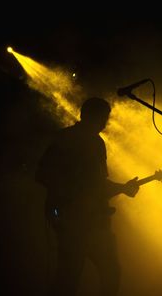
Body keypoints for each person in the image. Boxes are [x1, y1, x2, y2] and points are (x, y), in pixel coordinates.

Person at [35, 97, 139, 296]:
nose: (105, 123)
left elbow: (98, 185)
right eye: (103, 118)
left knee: (108, 272)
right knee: (71, 276)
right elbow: (42, 174)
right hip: (73, 221)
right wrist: (68, 199)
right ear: (89, 116)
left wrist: (122, 188)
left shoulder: (97, 143)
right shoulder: (66, 138)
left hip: (94, 221)